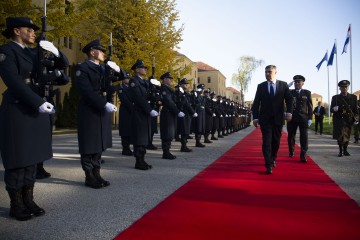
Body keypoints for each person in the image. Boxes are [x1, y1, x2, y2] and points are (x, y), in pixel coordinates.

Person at [0, 17, 68, 220]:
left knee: (32, 157)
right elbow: (13, 82)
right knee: (18, 158)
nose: (33, 33)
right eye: (29, 30)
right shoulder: (6, 51)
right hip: (19, 108)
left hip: (35, 109)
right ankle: (16, 204)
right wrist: (37, 102)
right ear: (16, 31)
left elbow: (61, 66)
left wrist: (55, 50)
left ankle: (28, 199)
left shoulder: (31, 52)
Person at [75, 39, 119, 188]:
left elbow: (116, 80)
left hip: (101, 109)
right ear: (92, 52)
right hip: (89, 109)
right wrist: (104, 103)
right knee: (89, 144)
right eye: (101, 51)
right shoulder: (83, 68)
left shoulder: (103, 68)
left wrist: (115, 69)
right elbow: (86, 91)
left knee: (99, 143)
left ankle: (97, 174)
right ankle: (89, 176)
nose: (103, 54)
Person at [251, 65, 293, 174]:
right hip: (265, 119)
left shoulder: (283, 85)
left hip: (278, 118)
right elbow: (256, 103)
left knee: (276, 142)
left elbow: (289, 100)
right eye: (266, 72)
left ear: (275, 72)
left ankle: (273, 157)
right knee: (266, 142)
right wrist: (255, 118)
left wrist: (289, 112)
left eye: (270, 72)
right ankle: (268, 164)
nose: (267, 74)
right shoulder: (261, 86)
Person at [127, 59, 159, 170]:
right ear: (136, 69)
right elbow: (138, 98)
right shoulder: (133, 81)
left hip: (144, 113)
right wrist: (149, 110)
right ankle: (138, 161)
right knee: (139, 137)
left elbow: (149, 96)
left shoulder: (144, 82)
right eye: (143, 67)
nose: (145, 69)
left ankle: (142, 160)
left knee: (144, 137)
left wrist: (154, 88)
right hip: (138, 112)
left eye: (145, 68)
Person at [287, 75, 313, 162]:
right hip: (292, 118)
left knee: (304, 137)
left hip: (303, 118)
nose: (297, 83)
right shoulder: (290, 92)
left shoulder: (307, 93)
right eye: (295, 82)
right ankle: (291, 151)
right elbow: (282, 96)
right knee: (291, 136)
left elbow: (310, 107)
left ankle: (303, 155)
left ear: (302, 83)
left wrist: (310, 118)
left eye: (299, 82)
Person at [330, 80, 359, 157]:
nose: (344, 88)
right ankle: (340, 151)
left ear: (348, 87)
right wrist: (334, 109)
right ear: (340, 88)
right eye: (342, 87)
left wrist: (356, 118)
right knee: (340, 135)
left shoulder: (353, 97)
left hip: (348, 119)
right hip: (339, 119)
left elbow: (355, 110)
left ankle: (345, 149)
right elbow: (331, 110)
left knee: (347, 135)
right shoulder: (335, 98)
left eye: (346, 87)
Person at [159, 72, 185, 159]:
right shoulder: (163, 88)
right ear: (164, 79)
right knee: (167, 133)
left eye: (171, 78)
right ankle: (165, 152)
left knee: (170, 133)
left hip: (171, 113)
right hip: (167, 112)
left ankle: (167, 151)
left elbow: (174, 101)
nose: (171, 80)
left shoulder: (170, 89)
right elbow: (169, 102)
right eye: (169, 78)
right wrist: (177, 111)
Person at [175, 78, 196, 152]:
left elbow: (191, 102)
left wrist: (194, 96)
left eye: (186, 84)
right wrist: (193, 112)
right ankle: (183, 146)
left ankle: (184, 146)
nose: (186, 85)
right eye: (184, 84)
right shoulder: (179, 92)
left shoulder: (186, 93)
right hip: (183, 113)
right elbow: (184, 103)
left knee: (186, 130)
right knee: (184, 131)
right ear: (180, 84)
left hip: (187, 114)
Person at [117, 71, 134, 156]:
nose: (128, 79)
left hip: (131, 111)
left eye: (129, 78)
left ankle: (129, 147)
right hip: (125, 110)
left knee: (131, 129)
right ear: (123, 80)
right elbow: (124, 100)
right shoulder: (121, 88)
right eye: (126, 78)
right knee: (125, 130)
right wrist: (133, 108)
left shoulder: (131, 88)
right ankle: (125, 148)